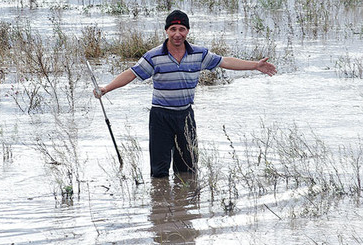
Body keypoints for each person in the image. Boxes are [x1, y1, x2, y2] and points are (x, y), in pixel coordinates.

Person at [94, 10, 277, 178]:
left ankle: (184, 208)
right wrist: (105, 89)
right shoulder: (154, 56)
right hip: (160, 117)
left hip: (186, 116)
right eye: (173, 29)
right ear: (166, 31)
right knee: (159, 172)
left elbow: (225, 62)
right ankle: (161, 208)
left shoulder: (199, 54)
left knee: (188, 170)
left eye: (182, 29)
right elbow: (132, 73)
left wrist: (255, 65)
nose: (177, 34)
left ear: (187, 31)